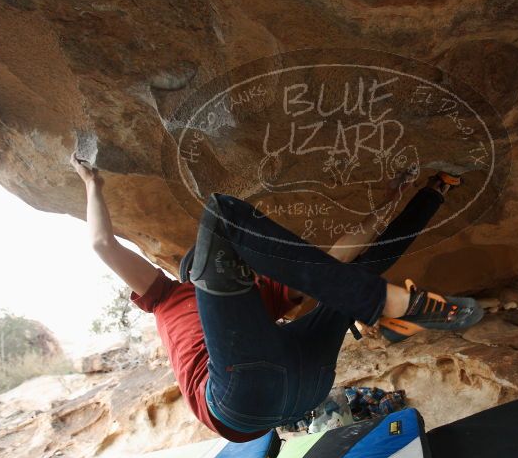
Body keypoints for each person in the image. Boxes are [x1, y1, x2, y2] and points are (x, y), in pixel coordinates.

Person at [72, 152, 482, 442]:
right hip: (241, 395)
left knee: (344, 279)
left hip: (297, 388)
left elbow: (335, 261)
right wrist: (91, 182)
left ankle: (437, 190)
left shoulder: (256, 294)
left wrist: (393, 198)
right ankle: (382, 303)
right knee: (223, 214)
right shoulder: (164, 295)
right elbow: (103, 244)